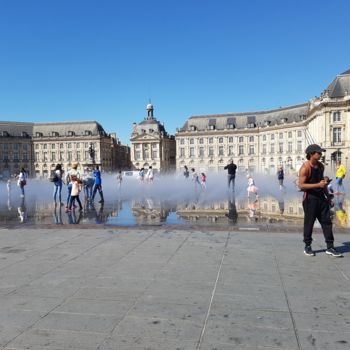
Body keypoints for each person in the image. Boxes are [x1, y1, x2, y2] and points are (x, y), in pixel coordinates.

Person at [298, 144, 342, 257]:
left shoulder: (321, 166)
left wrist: (327, 196)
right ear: (311, 154)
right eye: (318, 153)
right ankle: (307, 246)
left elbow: (322, 183)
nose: (321, 154)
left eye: (321, 152)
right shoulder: (305, 168)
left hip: (321, 198)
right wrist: (317, 184)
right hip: (310, 199)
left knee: (327, 222)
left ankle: (330, 247)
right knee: (309, 223)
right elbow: (301, 186)